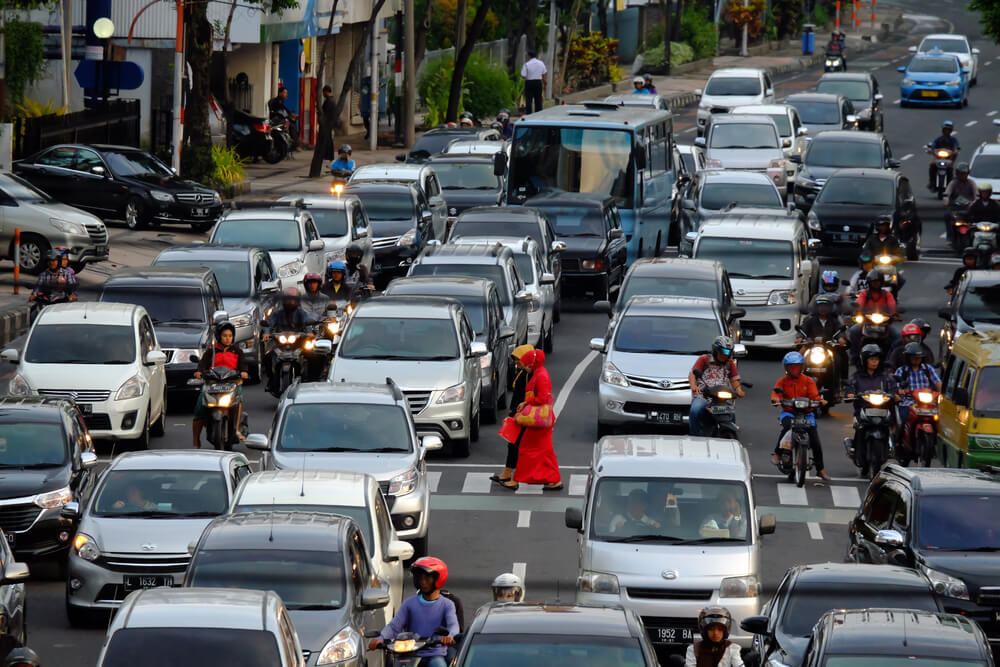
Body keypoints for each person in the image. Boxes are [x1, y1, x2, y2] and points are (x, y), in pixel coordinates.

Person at [370, 557, 459, 667]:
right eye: (419, 578)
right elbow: (394, 627)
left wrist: (450, 636)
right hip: (409, 654)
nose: (423, 581)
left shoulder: (447, 604)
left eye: (427, 578)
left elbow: (453, 625)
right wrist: (381, 638)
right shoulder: (409, 603)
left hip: (434, 654)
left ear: (438, 579)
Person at [506, 350, 562, 490]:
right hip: (543, 419)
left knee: (525, 448)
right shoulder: (539, 373)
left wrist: (527, 402)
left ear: (532, 362)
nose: (524, 366)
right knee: (545, 451)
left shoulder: (540, 375)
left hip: (539, 420)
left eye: (525, 363)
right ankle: (554, 479)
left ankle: (517, 479)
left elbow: (542, 398)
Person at [770, 351, 830, 480]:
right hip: (789, 413)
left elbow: (815, 395)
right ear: (786, 368)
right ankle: (778, 453)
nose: (794, 369)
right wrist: (776, 399)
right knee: (786, 427)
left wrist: (820, 400)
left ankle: (820, 469)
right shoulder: (782, 381)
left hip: (807, 414)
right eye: (791, 367)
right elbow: (776, 394)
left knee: (815, 441)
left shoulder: (808, 381)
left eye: (797, 366)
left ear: (801, 367)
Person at [191, 322, 249, 449]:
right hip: (212, 383)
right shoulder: (211, 352)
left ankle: (237, 429)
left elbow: (243, 364)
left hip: (232, 383)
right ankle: (196, 440)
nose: (228, 338)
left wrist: (244, 372)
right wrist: (199, 372)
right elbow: (202, 364)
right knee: (199, 408)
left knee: (238, 400)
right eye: (224, 335)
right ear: (219, 336)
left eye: (230, 335)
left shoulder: (237, 351)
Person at [844, 344, 898, 476]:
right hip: (863, 412)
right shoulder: (857, 377)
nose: (874, 362)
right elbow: (850, 389)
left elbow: (893, 389)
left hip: (882, 412)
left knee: (892, 425)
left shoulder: (885, 377)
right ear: (865, 360)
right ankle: (855, 450)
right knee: (860, 428)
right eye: (871, 359)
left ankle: (891, 446)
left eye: (877, 359)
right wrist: (850, 394)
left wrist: (895, 395)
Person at [492, 344, 534, 487]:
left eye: (518, 360)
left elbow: (529, 396)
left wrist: (520, 408)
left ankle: (514, 477)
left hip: (524, 415)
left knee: (518, 446)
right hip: (518, 414)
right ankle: (508, 473)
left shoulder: (530, 374)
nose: (516, 363)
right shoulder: (523, 372)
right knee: (514, 445)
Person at [688, 336, 745, 436]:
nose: (724, 355)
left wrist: (739, 390)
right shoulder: (704, 359)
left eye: (727, 352)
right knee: (695, 411)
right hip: (704, 395)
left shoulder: (729, 363)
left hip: (721, 396)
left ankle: (733, 438)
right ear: (715, 350)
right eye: (722, 352)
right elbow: (692, 374)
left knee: (731, 414)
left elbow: (734, 379)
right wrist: (693, 386)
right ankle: (694, 435)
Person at [894, 343, 942, 459]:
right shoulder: (901, 371)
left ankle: (934, 446)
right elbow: (895, 386)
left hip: (927, 404)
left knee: (940, 423)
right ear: (908, 358)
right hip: (907, 403)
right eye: (913, 357)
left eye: (918, 357)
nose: (916, 359)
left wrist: (942, 395)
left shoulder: (928, 369)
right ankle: (898, 444)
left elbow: (938, 383)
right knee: (902, 421)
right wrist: (899, 391)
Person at [263, 287, 309, 392]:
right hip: (280, 344)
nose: (290, 302)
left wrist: (309, 332)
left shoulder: (301, 313)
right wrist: (266, 333)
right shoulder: (278, 313)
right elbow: (269, 323)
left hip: (298, 343)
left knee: (311, 355)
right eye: (288, 299)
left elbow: (307, 323)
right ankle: (271, 380)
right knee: (268, 357)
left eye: (293, 299)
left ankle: (308, 381)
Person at [310, 84, 336, 177]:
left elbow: (325, 113)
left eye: (324, 92)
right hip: (328, 125)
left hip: (327, 125)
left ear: (326, 92)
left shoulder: (329, 102)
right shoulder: (331, 101)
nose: (323, 94)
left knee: (327, 142)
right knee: (328, 141)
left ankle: (328, 157)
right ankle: (328, 156)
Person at [928, 120, 960, 191]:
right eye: (945, 129)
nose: (947, 131)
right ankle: (932, 182)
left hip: (949, 159)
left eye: (948, 130)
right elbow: (933, 145)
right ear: (943, 130)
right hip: (938, 158)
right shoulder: (938, 139)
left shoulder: (953, 140)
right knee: (932, 165)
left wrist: (955, 150)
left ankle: (950, 185)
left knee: (950, 169)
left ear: (951, 131)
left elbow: (956, 146)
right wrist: (931, 149)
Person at [268, 85, 299, 149]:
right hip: (277, 121)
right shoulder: (276, 101)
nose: (286, 94)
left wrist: (291, 115)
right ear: (280, 93)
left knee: (293, 123)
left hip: (281, 120)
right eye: (284, 92)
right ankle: (294, 144)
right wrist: (290, 116)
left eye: (286, 93)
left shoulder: (280, 101)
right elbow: (281, 111)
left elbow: (285, 109)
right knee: (292, 125)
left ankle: (293, 143)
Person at [521, 49, 547, 115]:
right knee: (538, 99)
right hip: (538, 82)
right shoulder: (541, 63)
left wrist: (529, 75)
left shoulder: (526, 64)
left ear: (529, 56)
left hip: (529, 83)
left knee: (529, 100)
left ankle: (529, 114)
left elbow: (523, 76)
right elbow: (543, 75)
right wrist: (545, 84)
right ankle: (538, 114)